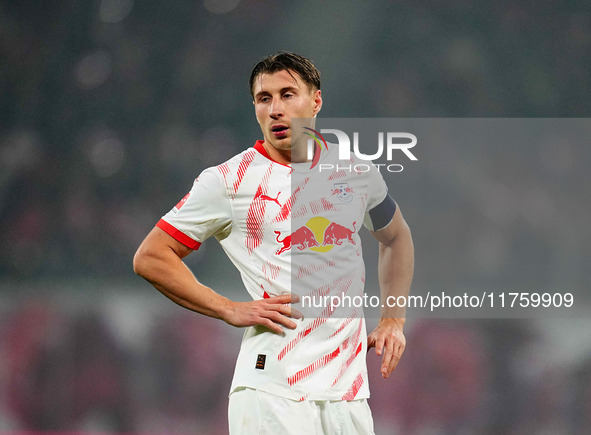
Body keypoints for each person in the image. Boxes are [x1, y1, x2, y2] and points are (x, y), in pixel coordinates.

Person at [133, 52, 414, 434]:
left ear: (315, 101)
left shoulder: (356, 171)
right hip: (273, 389)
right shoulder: (229, 180)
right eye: (264, 99)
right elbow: (151, 256)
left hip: (347, 393)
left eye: (287, 94)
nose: (275, 109)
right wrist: (228, 308)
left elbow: (396, 237)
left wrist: (393, 320)